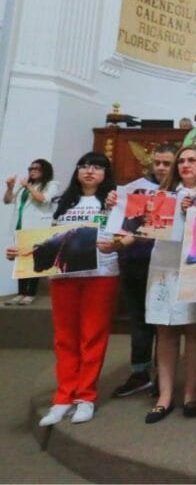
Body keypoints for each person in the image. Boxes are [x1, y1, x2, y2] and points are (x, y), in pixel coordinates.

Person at [7, 153, 119, 426]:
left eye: (97, 167)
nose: (90, 171)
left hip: (101, 273)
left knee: (93, 335)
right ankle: (63, 397)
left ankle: (85, 397)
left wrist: (116, 243)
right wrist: (21, 252)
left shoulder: (114, 199)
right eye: (84, 166)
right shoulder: (60, 201)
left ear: (106, 172)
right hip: (64, 274)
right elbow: (41, 235)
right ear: (77, 171)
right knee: (65, 337)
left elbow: (128, 233)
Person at [142, 146, 196, 424]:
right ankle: (164, 396)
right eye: (181, 161)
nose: (185, 165)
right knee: (165, 331)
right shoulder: (163, 194)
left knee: (195, 331)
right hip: (164, 265)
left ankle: (191, 392)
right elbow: (142, 229)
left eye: (192, 160)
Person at [110, 144, 176, 398]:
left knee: (163, 323)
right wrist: (113, 203)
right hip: (134, 261)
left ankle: (163, 376)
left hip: (164, 265)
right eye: (157, 162)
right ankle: (139, 373)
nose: (160, 167)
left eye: (167, 163)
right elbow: (121, 222)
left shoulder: (180, 192)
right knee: (138, 322)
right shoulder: (133, 189)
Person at [4, 159, 58, 305]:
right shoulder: (24, 187)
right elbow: (8, 201)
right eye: (30, 168)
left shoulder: (51, 185)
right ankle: (20, 293)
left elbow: (43, 200)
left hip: (37, 227)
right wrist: (9, 187)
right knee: (20, 259)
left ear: (45, 170)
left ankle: (30, 293)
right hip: (20, 227)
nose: (32, 171)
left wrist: (28, 186)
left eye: (37, 168)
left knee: (35, 258)